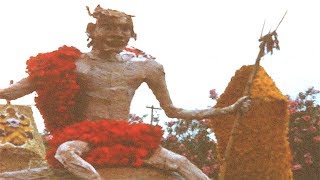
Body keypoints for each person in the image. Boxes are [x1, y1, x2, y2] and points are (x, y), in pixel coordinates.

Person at [0, 5, 250, 180]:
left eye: (124, 29)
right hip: (86, 137)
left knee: (182, 164)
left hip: (128, 137)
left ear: (131, 33)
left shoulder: (147, 68)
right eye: (109, 28)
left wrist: (228, 109)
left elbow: (173, 110)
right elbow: (16, 90)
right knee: (66, 152)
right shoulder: (73, 64)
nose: (118, 34)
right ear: (93, 31)